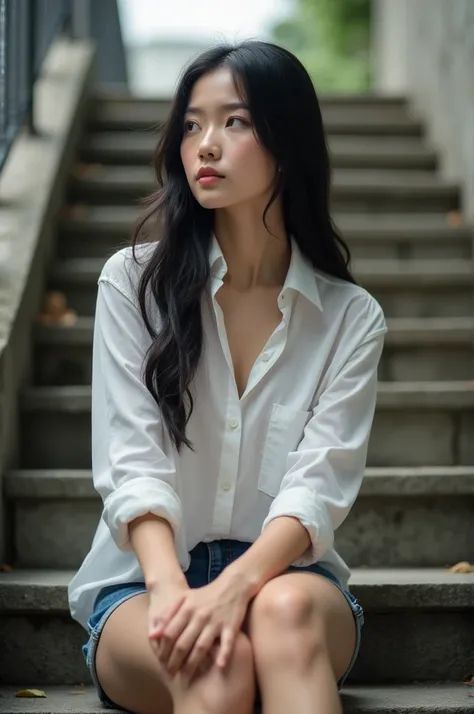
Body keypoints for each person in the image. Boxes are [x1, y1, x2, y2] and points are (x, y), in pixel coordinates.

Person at [68, 39, 387, 714]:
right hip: (144, 583)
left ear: (287, 139)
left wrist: (239, 585)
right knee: (215, 667)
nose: (205, 145)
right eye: (191, 124)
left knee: (288, 612)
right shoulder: (133, 285)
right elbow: (132, 464)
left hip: (288, 580)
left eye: (234, 122)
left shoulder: (349, 318)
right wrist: (172, 592)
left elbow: (318, 485)